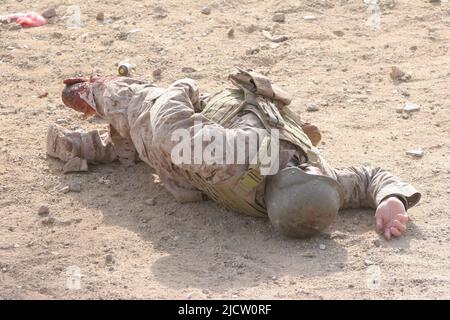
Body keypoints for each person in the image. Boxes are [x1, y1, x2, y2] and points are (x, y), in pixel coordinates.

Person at [47, 69, 421, 240]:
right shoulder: (319, 185)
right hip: (205, 147)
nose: (305, 161)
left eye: (300, 166)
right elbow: (370, 177)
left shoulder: (235, 155)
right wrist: (390, 197)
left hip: (180, 150)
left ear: (281, 175)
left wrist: (183, 87)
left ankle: (96, 97)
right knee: (152, 139)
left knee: (139, 108)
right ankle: (95, 147)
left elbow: (167, 123)